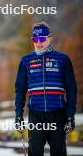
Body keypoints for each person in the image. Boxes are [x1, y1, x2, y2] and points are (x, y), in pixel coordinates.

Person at [14, 22, 77, 156]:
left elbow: (71, 89)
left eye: (42, 39)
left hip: (58, 114)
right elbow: (20, 90)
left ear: (49, 38)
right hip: (36, 115)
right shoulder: (26, 61)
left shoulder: (63, 59)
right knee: (35, 152)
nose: (38, 42)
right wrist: (18, 115)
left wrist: (70, 114)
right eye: (35, 39)